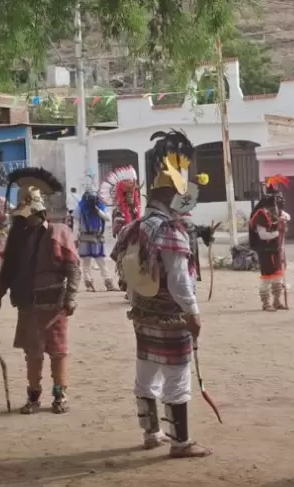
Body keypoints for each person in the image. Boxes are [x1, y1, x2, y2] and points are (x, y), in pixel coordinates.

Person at [112, 129, 211, 458]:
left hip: (143, 314)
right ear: (171, 197)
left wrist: (138, 304)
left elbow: (125, 274)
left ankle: (152, 433)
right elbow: (180, 281)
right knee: (177, 376)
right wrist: (193, 312)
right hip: (171, 316)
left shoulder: (134, 227)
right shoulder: (170, 231)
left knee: (146, 372)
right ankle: (180, 442)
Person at [0, 168, 81, 414]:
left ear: (39, 211)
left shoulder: (58, 232)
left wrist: (71, 297)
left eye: (31, 213)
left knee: (58, 351)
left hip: (54, 302)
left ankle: (60, 395)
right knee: (33, 352)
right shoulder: (18, 237)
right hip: (27, 302)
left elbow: (73, 267)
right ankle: (33, 395)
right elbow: (9, 270)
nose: (28, 219)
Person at [248, 174, 291, 311]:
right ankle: (266, 303)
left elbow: (287, 216)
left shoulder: (277, 211)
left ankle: (277, 301)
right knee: (267, 277)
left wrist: (283, 221)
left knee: (278, 276)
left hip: (276, 249)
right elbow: (263, 235)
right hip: (265, 250)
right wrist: (279, 231)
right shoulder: (260, 214)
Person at [100, 165, 142, 292]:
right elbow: (119, 229)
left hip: (135, 240)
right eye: (127, 193)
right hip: (125, 242)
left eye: (132, 193)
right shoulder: (118, 210)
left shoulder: (136, 209)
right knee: (125, 261)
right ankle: (125, 283)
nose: (130, 196)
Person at [77, 188, 117, 292]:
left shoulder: (101, 207)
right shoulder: (81, 207)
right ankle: (89, 284)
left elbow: (107, 218)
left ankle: (108, 283)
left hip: (97, 237)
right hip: (85, 236)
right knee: (86, 262)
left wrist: (97, 210)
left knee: (101, 261)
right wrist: (75, 238)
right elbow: (76, 222)